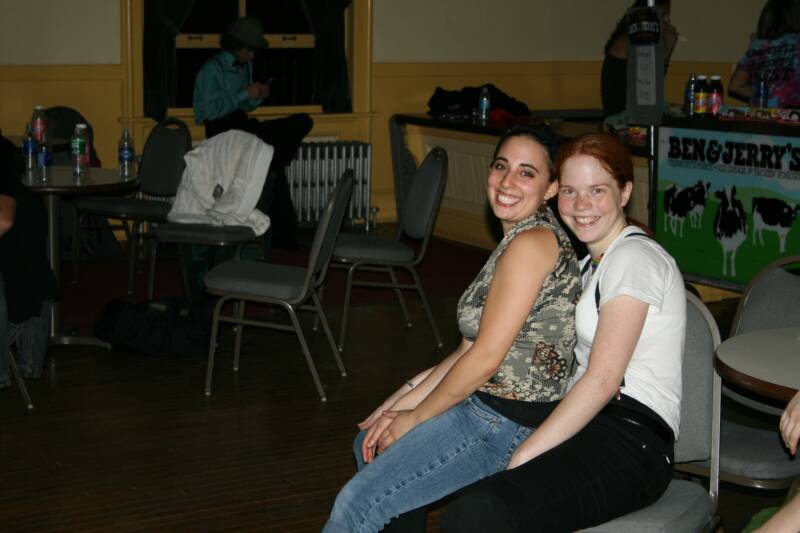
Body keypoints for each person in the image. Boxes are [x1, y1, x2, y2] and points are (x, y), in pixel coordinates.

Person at [322, 126, 581, 533]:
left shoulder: (532, 244)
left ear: (551, 188)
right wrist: (400, 401)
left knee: (359, 504)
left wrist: (416, 416)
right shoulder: (516, 239)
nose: (507, 181)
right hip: (485, 405)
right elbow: (466, 349)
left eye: (527, 173)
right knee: (370, 440)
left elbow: (485, 357)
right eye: (501, 166)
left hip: (505, 422)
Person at [440, 132, 686, 533]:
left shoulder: (633, 258)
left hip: (632, 442)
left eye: (597, 190)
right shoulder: (589, 267)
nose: (581, 205)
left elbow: (603, 382)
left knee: (480, 513)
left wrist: (522, 456)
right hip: (590, 423)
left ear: (625, 192)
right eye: (570, 191)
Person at [193, 16, 313, 249]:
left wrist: (255, 97)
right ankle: (275, 165)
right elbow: (208, 112)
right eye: (250, 51)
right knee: (273, 160)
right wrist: (242, 94)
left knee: (302, 121)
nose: (252, 57)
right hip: (222, 133)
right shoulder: (211, 69)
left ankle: (274, 165)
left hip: (244, 126)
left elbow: (244, 107)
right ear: (237, 46)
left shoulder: (246, 65)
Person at [0, 133, 58, 388]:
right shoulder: (26, 196)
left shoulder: (7, 190)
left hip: (17, 301)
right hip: (34, 294)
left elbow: (4, 221)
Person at [601, 0, 678, 117]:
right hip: (622, 120)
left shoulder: (632, 38)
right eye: (663, 15)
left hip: (631, 116)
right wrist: (667, 50)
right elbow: (650, 83)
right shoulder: (630, 41)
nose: (668, 21)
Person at [729, 0, 800, 108]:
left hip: (760, 115)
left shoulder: (758, 46)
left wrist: (764, 97)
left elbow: (735, 86)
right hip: (791, 117)